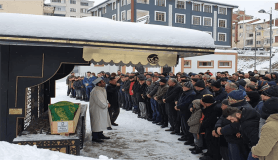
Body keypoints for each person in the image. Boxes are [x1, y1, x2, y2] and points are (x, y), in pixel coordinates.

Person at [199, 95, 222, 160]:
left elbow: (210, 120)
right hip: (209, 128)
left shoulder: (215, 109)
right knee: (208, 141)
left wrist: (204, 124)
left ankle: (213, 157)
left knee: (213, 143)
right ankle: (209, 153)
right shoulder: (211, 106)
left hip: (212, 128)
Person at [89, 77, 111, 143]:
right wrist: (106, 105)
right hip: (96, 110)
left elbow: (104, 98)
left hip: (101, 109)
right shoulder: (96, 91)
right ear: (99, 84)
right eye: (103, 82)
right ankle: (95, 137)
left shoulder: (101, 89)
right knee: (97, 123)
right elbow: (99, 101)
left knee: (101, 123)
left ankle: (100, 134)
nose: (104, 83)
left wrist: (107, 102)